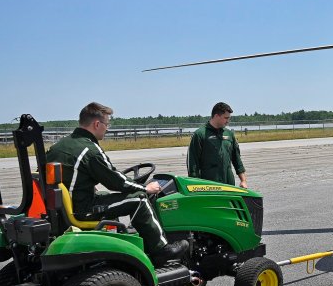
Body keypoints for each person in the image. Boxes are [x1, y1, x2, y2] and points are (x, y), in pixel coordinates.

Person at [47, 102, 183, 266]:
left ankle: (117, 236)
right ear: (97, 124)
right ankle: (161, 250)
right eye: (107, 124)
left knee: (106, 196)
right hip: (82, 210)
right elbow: (116, 181)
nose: (107, 128)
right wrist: (146, 188)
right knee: (139, 200)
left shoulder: (60, 145)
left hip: (63, 208)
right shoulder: (89, 150)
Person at [187, 102, 247, 187]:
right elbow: (193, 164)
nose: (228, 121)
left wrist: (243, 180)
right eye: (226, 118)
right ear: (216, 116)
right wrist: (195, 185)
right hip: (208, 185)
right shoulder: (200, 135)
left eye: (229, 118)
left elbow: (237, 159)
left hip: (228, 184)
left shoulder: (229, 134)